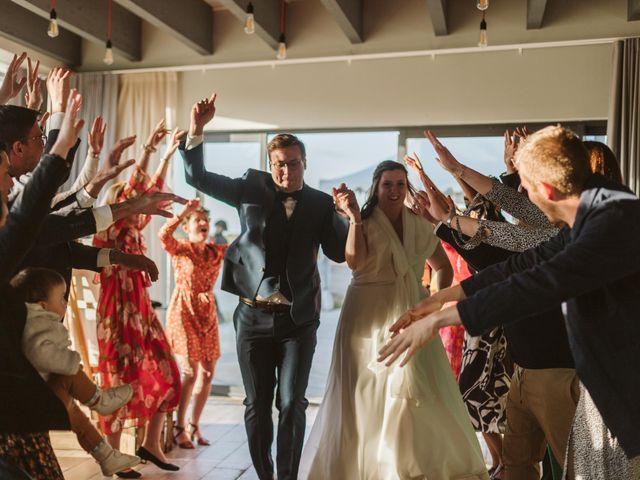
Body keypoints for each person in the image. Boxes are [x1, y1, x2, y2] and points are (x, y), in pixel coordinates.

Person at [379, 126, 640, 479]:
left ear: (546, 190)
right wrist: (441, 297)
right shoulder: (593, 207)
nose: (520, 192)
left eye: (526, 185)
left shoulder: (610, 223)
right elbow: (520, 266)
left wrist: (439, 321)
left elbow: (538, 284)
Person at [179, 93, 349, 480]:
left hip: (298, 320)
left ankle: (288, 477)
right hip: (252, 318)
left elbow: (339, 254)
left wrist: (345, 216)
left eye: (292, 164)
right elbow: (197, 177)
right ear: (269, 165)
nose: (286, 171)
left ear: (304, 163)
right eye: (278, 165)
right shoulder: (250, 189)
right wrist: (197, 129)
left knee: (291, 403)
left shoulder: (322, 204)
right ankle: (265, 476)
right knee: (256, 404)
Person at [300, 161, 488, 480]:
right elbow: (355, 263)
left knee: (419, 386)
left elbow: (442, 267)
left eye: (401, 184)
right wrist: (356, 220)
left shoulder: (418, 223)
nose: (395, 190)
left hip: (411, 311)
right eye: (388, 184)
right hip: (366, 311)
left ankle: (408, 463)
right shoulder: (363, 220)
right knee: (362, 388)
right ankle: (362, 465)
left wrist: (430, 308)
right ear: (376, 186)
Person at [93, 124, 186, 477]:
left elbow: (151, 190)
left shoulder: (133, 229)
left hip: (141, 314)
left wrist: (166, 154)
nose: (143, 207)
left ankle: (150, 444)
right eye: (134, 203)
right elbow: (141, 188)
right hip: (118, 315)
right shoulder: (113, 227)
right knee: (119, 382)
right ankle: (112, 456)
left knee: (169, 374)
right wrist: (149, 149)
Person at [10, 267, 140, 476]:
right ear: (43, 306)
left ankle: (106, 455)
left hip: (40, 393)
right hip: (37, 395)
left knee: (77, 416)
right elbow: (40, 353)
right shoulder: (38, 320)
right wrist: (72, 361)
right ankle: (100, 400)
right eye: (61, 298)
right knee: (69, 372)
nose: (65, 302)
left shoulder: (34, 318)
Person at [159, 198, 228, 449]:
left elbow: (245, 247)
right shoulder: (180, 248)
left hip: (207, 311)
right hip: (183, 310)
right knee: (190, 372)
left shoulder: (216, 252)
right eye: (197, 220)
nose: (203, 223)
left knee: (208, 372)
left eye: (205, 220)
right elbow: (163, 234)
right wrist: (183, 213)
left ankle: (194, 425)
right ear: (186, 227)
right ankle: (178, 428)